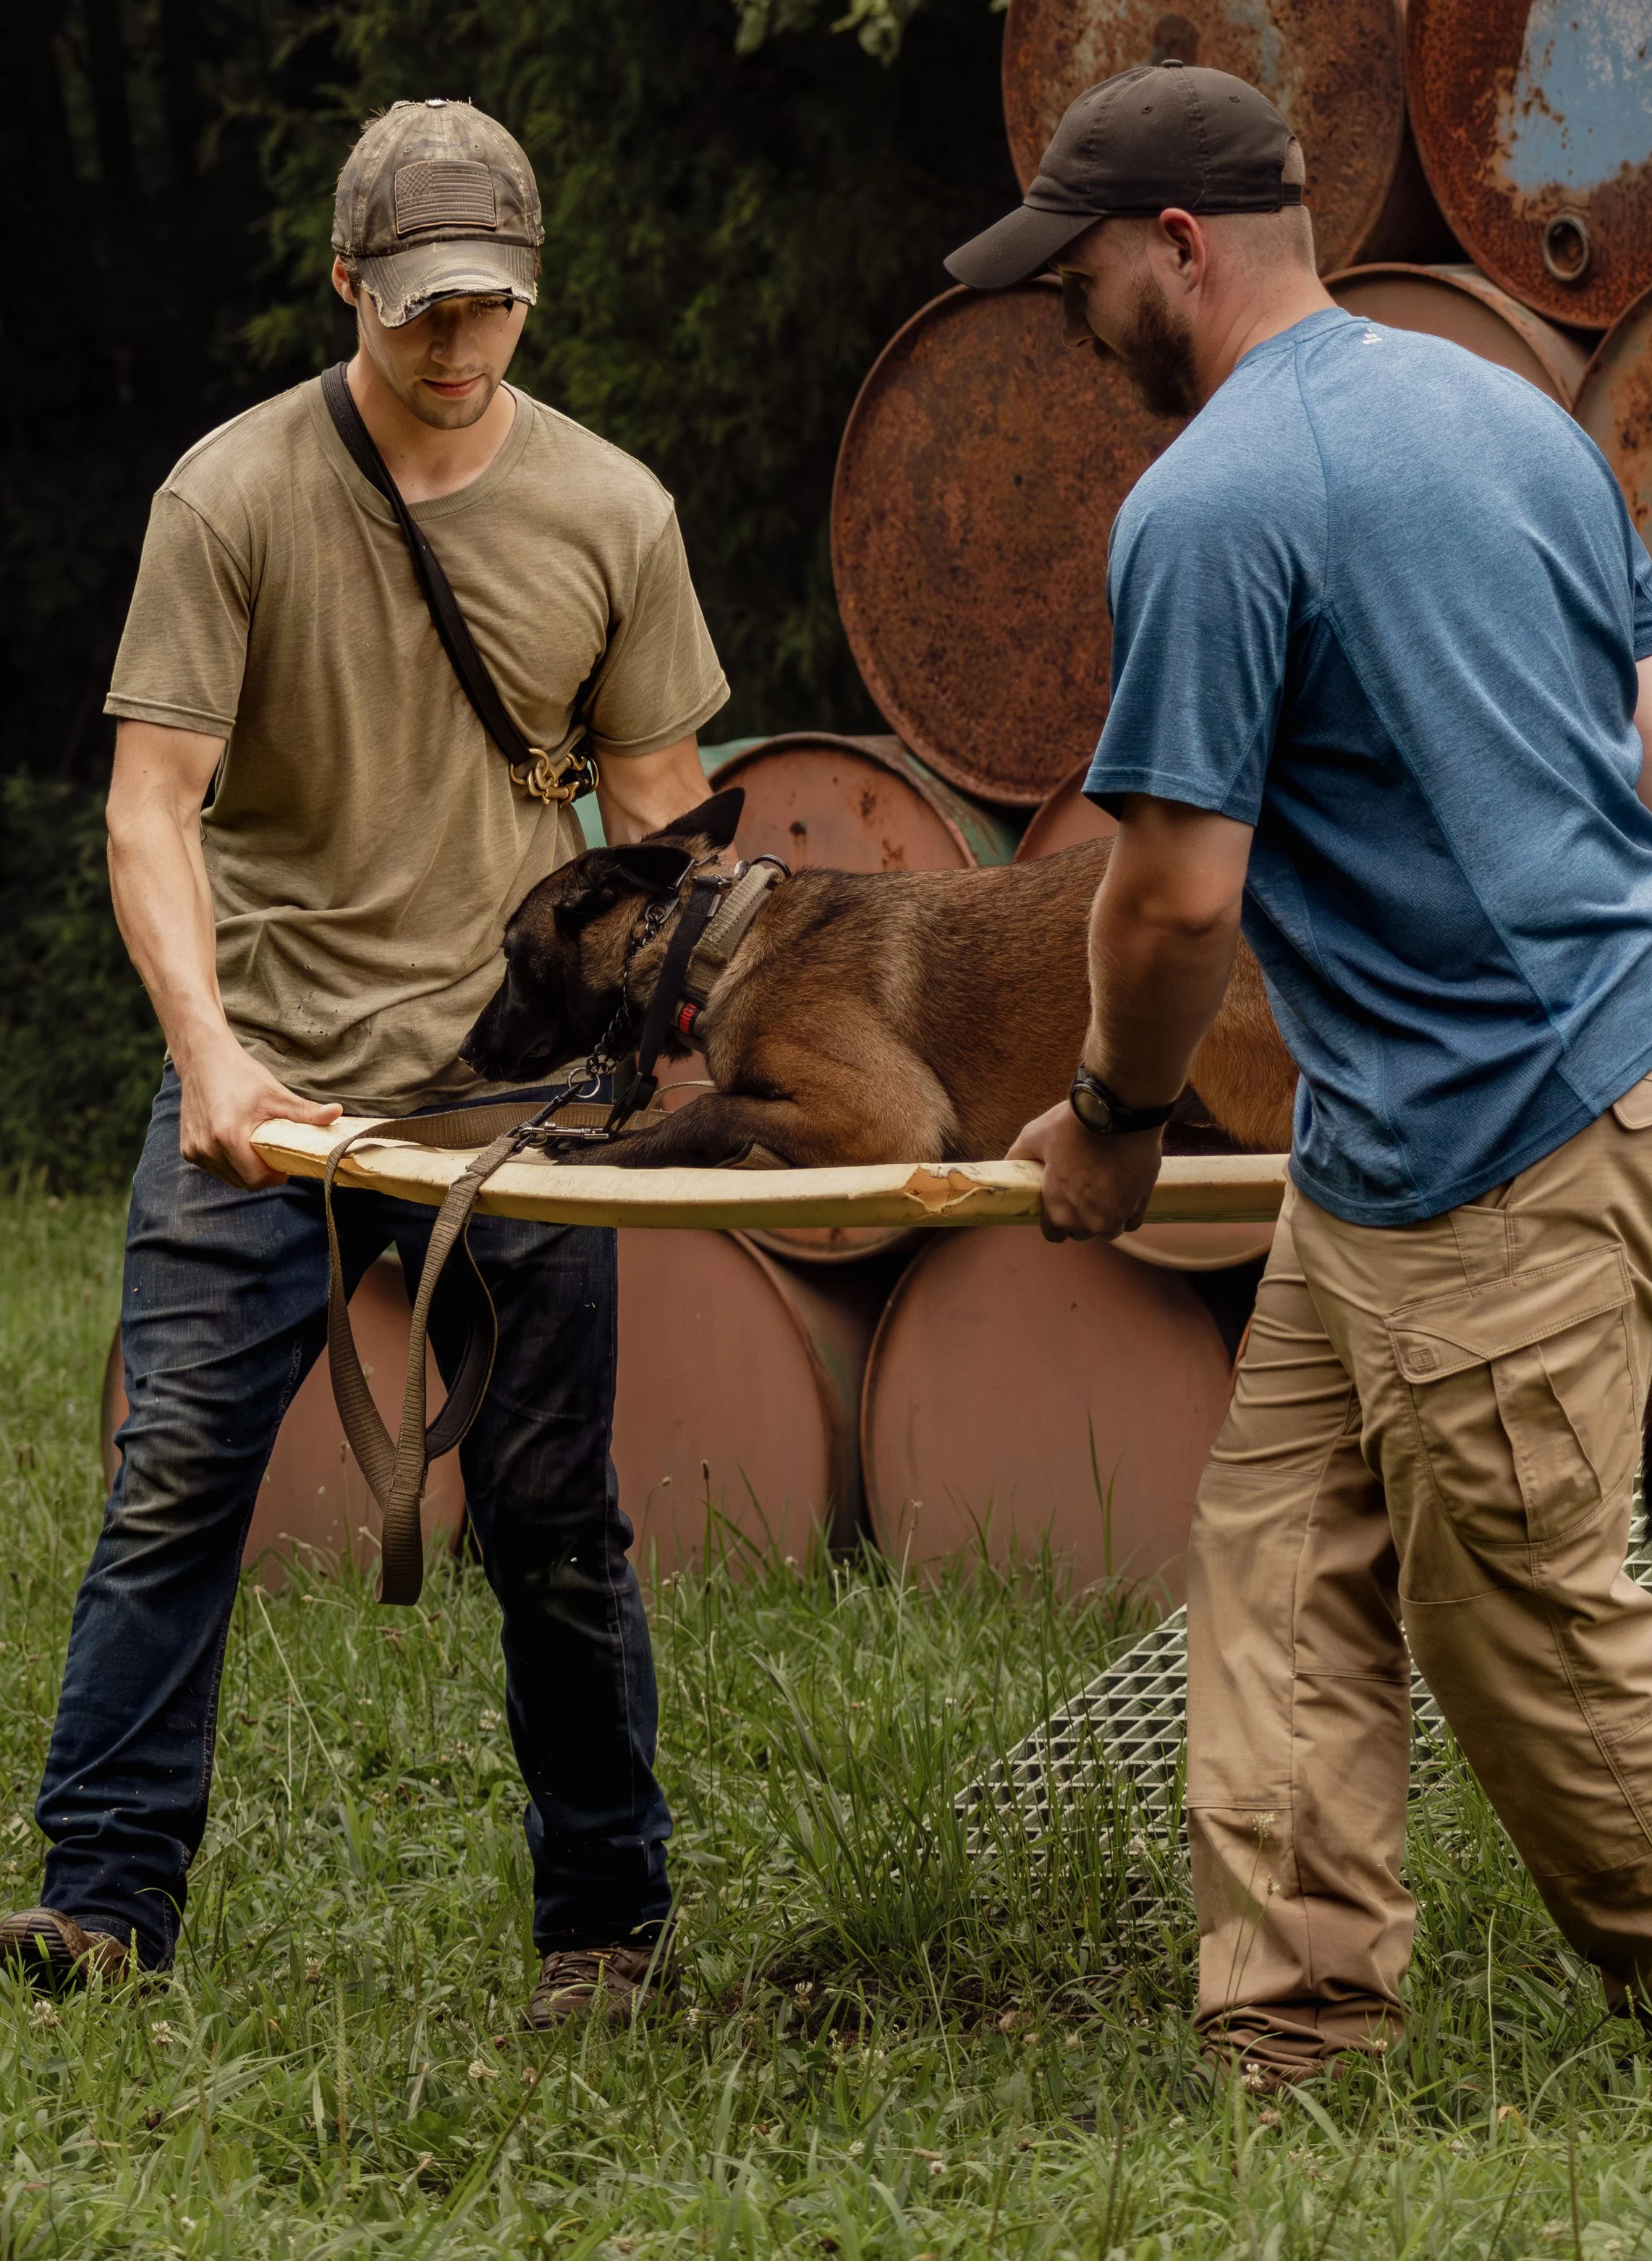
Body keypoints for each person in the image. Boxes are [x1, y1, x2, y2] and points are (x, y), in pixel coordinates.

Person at [952, 61, 1652, 2084]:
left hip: (1494, 1147)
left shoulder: (1209, 506)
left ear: (1174, 250)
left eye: (1078, 283)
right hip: (1473, 1123)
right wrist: (1587, 981)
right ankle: (1296, 2026)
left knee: (1515, 1613)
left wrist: (1108, 1123)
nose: (1075, 330)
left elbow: (1168, 905)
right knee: (1280, 1552)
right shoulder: (1494, 408)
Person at [3, 99, 729, 2027]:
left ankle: (605, 1925)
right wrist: (212, 1061)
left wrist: (674, 1067)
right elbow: (149, 810)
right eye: (417, 304)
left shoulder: (612, 512)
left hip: (509, 1111)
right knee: (169, 1489)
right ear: (346, 283)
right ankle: (99, 1907)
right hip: (273, 1086)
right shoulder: (227, 496)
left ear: (531, 285)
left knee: (554, 1513)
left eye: (487, 299)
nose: (454, 339)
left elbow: (669, 834)